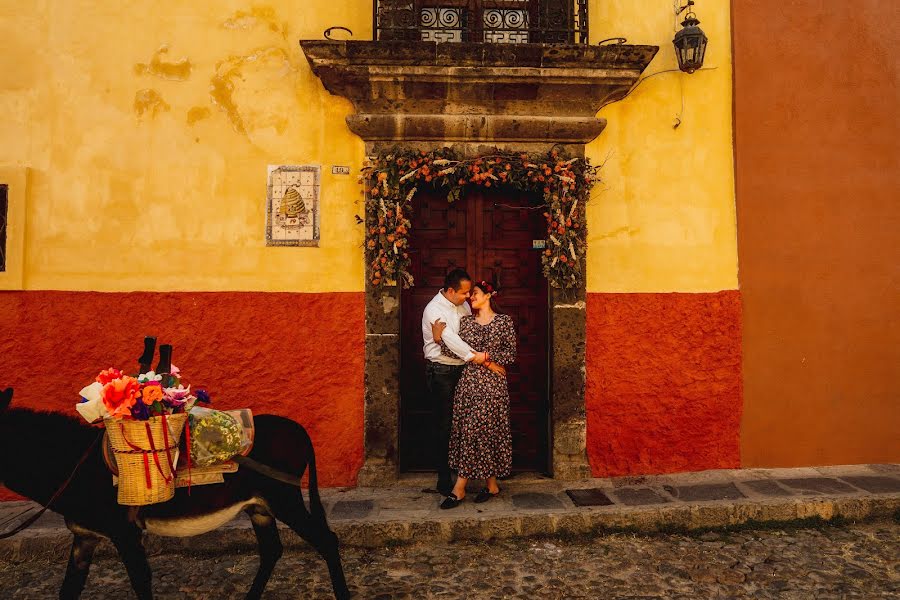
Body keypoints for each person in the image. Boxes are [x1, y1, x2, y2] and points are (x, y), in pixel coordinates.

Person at [432, 280, 516, 509]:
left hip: (492, 387)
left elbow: (510, 354)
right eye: (470, 295)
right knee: (475, 431)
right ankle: (492, 485)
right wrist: (439, 339)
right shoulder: (466, 322)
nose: (471, 298)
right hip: (468, 385)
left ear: (489, 295)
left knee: (478, 431)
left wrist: (485, 357)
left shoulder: (503, 322)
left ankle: (459, 489)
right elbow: (458, 352)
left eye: (476, 294)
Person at [421, 269, 504, 495]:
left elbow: (471, 333)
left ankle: (472, 474)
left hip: (465, 371)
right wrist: (484, 361)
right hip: (442, 371)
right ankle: (444, 478)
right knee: (444, 424)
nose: (468, 296)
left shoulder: (464, 306)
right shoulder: (434, 310)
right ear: (450, 291)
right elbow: (454, 342)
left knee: (463, 424)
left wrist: (479, 359)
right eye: (464, 293)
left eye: (470, 292)